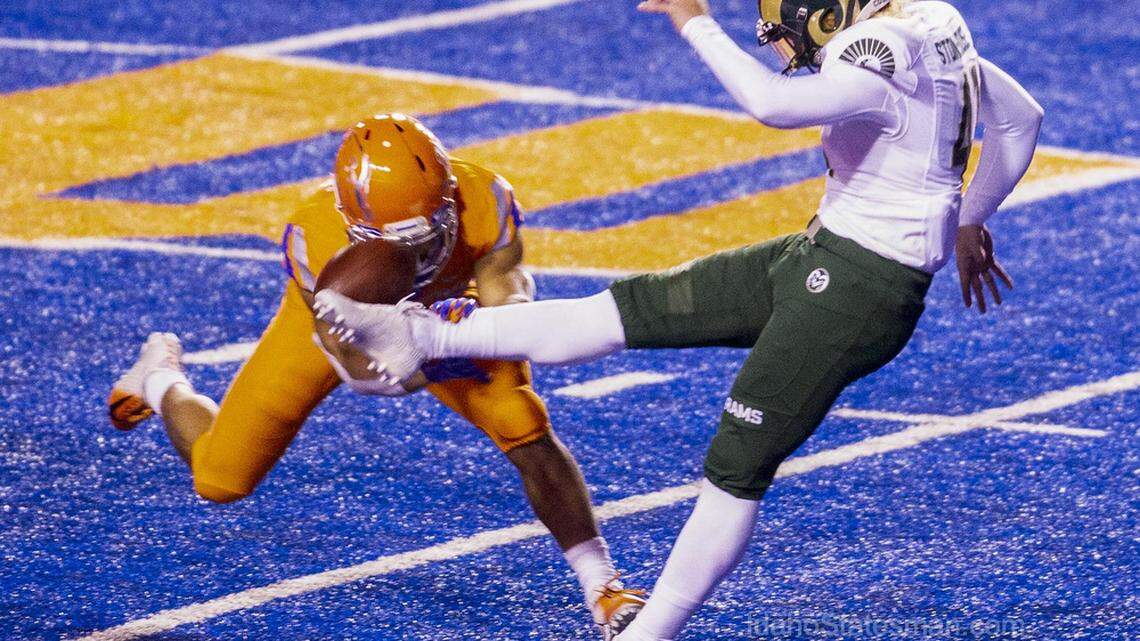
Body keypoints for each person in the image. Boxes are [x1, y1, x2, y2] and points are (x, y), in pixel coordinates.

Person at [313, 0, 1044, 638]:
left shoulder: (874, 48)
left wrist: (695, 22)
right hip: (822, 253)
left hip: (856, 291)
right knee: (624, 310)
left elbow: (773, 106)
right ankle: (424, 336)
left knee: (734, 466)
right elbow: (1019, 119)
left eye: (787, 29)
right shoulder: (932, 21)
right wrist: (965, 216)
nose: (781, 46)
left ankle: (650, 633)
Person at [107, 113, 645, 639]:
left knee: (523, 424)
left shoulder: (484, 195)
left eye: (427, 236)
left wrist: (489, 324)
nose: (418, 253)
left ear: (448, 196)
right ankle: (159, 377)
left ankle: (604, 587)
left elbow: (506, 288)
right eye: (395, 245)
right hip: (347, 327)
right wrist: (411, 353)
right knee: (220, 479)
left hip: (450, 311)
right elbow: (362, 369)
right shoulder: (315, 238)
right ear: (351, 222)